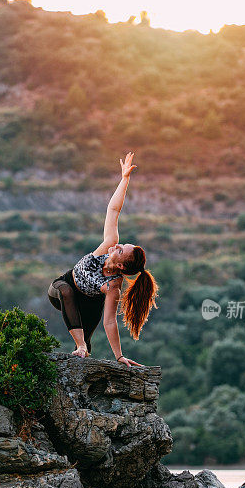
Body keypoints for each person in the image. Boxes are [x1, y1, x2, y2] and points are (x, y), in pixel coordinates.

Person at [47, 152, 158, 367]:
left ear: (121, 265)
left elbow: (109, 322)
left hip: (88, 304)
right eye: (121, 244)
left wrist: (119, 356)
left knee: (86, 350)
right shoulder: (108, 245)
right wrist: (124, 179)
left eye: (120, 250)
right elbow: (113, 209)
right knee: (66, 290)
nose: (116, 245)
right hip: (63, 287)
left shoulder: (113, 286)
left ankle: (82, 348)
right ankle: (79, 345)